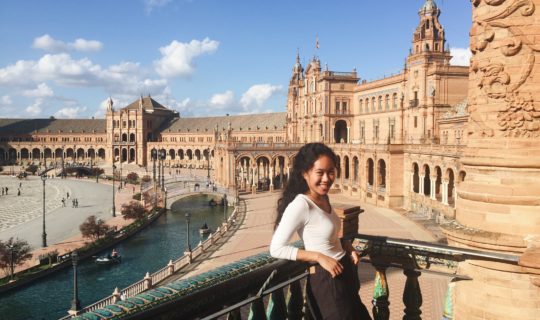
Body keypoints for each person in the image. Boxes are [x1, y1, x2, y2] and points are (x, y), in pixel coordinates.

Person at [270, 143, 371, 320]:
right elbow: (276, 248)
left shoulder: (323, 197)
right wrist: (318, 257)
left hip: (344, 273)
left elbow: (330, 234)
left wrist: (347, 246)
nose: (326, 178)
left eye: (331, 172)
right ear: (304, 174)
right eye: (320, 172)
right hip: (327, 280)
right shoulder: (301, 204)